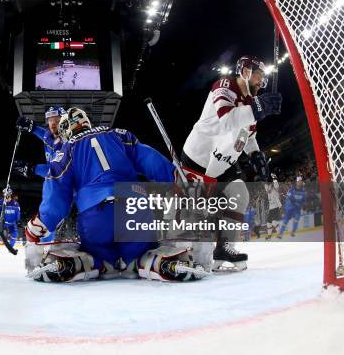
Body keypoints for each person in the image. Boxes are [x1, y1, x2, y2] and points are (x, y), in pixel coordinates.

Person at [24, 107, 208, 283]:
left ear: (65, 131)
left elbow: (57, 192)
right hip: (134, 204)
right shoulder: (118, 134)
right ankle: (157, 262)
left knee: (98, 257)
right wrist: (175, 177)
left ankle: (80, 263)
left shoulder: (65, 151)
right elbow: (149, 160)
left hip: (95, 211)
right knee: (140, 254)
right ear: (86, 122)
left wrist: (41, 223)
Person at [181, 55, 282, 271]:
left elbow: (249, 135)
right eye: (258, 75)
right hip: (199, 158)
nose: (261, 81)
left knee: (240, 194)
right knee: (200, 211)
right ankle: (192, 256)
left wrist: (256, 155)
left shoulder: (251, 103)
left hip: (223, 162)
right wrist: (258, 109)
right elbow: (227, 120)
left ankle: (224, 247)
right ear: (245, 71)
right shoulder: (225, 85)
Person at [14, 106, 66, 242]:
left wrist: (31, 168)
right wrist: (29, 126)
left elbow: (57, 171)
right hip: (55, 184)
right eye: (50, 119)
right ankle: (46, 246)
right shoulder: (49, 135)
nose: (53, 123)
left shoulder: (67, 143)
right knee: (47, 219)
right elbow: (41, 132)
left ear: (64, 121)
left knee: (49, 218)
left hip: (67, 184)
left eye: (57, 119)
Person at [265, 172, 283, 239]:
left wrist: (274, 177)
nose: (267, 190)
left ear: (271, 186)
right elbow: (265, 185)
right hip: (271, 209)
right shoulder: (268, 192)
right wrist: (266, 178)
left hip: (276, 208)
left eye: (268, 188)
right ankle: (269, 236)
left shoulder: (275, 190)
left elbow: (276, 184)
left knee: (274, 223)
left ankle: (279, 234)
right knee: (268, 223)